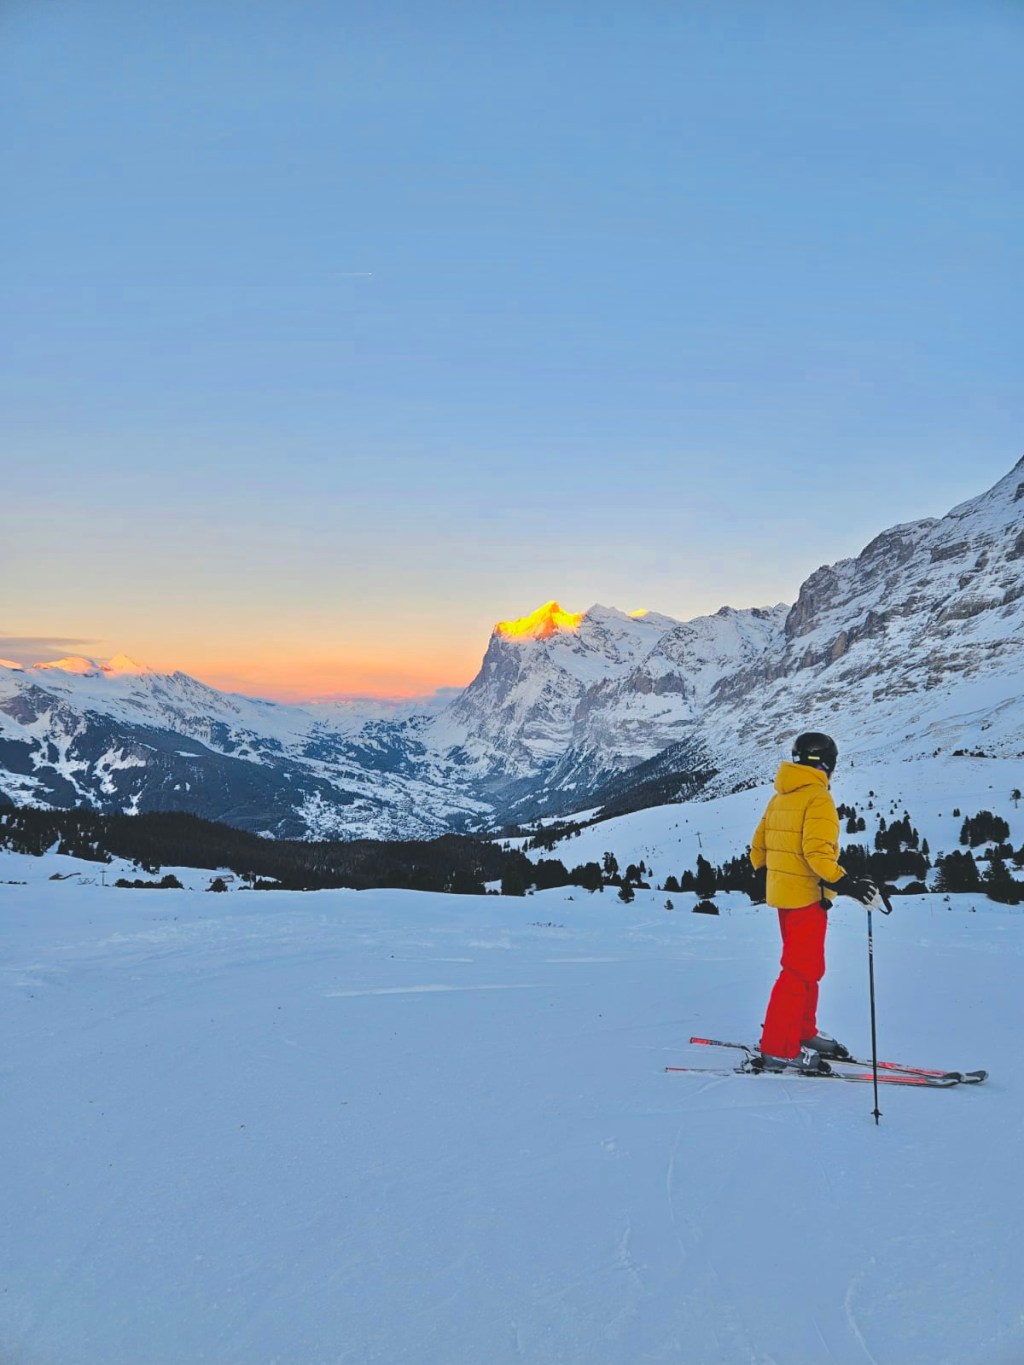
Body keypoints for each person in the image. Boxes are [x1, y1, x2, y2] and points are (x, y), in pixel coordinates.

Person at [749, 732, 879, 1074]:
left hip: (783, 896)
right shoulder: (817, 798)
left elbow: (757, 850)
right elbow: (817, 853)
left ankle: (802, 1032)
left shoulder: (781, 796)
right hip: (807, 897)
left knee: (807, 968)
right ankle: (778, 1047)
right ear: (828, 765)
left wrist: (782, 873)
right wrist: (845, 882)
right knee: (797, 972)